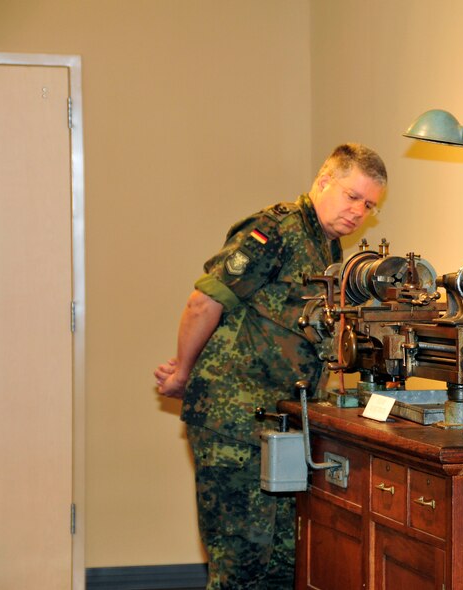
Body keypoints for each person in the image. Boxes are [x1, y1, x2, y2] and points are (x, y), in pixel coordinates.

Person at [154, 143, 387, 589]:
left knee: (282, 562)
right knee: (240, 564)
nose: (359, 212)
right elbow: (203, 301)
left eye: (370, 206)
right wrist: (183, 372)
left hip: (281, 422)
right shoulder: (275, 229)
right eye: (352, 196)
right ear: (323, 182)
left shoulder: (328, 250)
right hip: (235, 420)